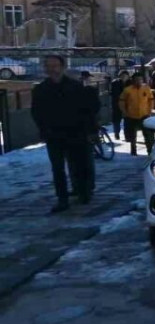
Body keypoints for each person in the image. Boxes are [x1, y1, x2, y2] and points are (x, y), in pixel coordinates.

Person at [31, 55, 94, 213]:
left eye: (55, 66)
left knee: (79, 164)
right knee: (57, 169)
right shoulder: (41, 90)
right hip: (54, 135)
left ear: (62, 67)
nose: (53, 69)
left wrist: (88, 129)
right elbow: (36, 112)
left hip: (75, 132)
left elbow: (86, 110)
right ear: (45, 69)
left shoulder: (75, 87)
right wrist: (44, 129)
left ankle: (83, 192)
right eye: (49, 66)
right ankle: (62, 199)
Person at [119, 74, 155, 156]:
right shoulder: (127, 90)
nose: (138, 82)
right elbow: (121, 102)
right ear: (133, 81)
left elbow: (151, 100)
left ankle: (149, 151)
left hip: (144, 115)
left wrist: (150, 110)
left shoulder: (146, 88)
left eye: (140, 80)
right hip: (131, 116)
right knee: (132, 135)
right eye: (136, 80)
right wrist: (125, 112)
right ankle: (133, 150)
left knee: (148, 135)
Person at [109, 70, 129, 135]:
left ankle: (127, 134)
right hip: (117, 104)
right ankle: (116, 133)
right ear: (120, 76)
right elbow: (115, 94)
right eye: (122, 76)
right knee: (116, 119)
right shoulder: (115, 83)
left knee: (127, 120)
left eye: (125, 76)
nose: (124, 77)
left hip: (126, 104)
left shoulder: (129, 83)